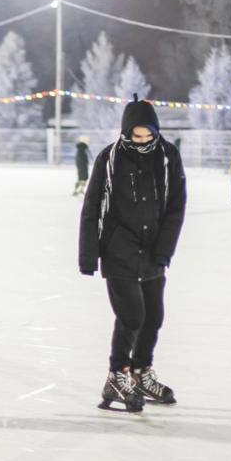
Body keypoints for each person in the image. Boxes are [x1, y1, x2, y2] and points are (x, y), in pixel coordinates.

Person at [79, 96, 187, 413]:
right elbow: (92, 208)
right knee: (131, 316)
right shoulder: (110, 158)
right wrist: (89, 256)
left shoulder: (168, 158)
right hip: (118, 249)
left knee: (154, 317)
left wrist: (164, 251)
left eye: (147, 136)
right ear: (126, 133)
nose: (142, 142)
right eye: (135, 136)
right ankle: (117, 375)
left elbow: (175, 209)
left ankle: (141, 373)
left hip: (153, 249)